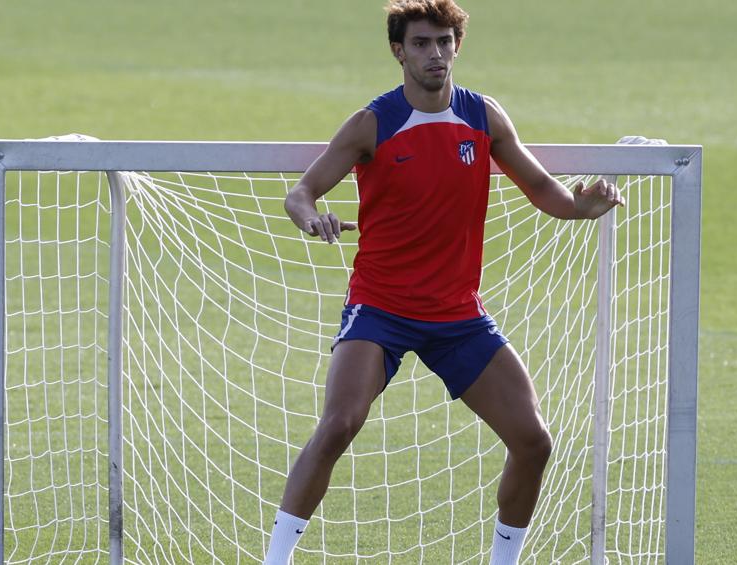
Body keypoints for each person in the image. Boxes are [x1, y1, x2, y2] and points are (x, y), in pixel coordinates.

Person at [265, 1, 622, 563]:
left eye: (444, 43)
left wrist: (582, 207)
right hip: (380, 307)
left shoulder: (483, 117)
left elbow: (544, 189)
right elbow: (300, 193)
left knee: (534, 441)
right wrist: (312, 217)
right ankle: (276, 558)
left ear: (458, 46)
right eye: (423, 43)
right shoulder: (373, 123)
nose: (435, 54)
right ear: (398, 51)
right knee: (339, 423)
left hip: (457, 315)